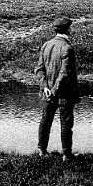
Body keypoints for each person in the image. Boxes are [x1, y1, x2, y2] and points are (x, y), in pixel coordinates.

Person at [35, 16, 80, 161]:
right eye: (70, 27)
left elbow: (39, 70)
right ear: (67, 29)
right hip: (64, 94)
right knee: (66, 123)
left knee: (45, 121)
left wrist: (45, 87)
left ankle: (42, 151)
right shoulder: (68, 48)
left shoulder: (46, 45)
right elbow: (65, 73)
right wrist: (54, 90)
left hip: (47, 92)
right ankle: (67, 154)